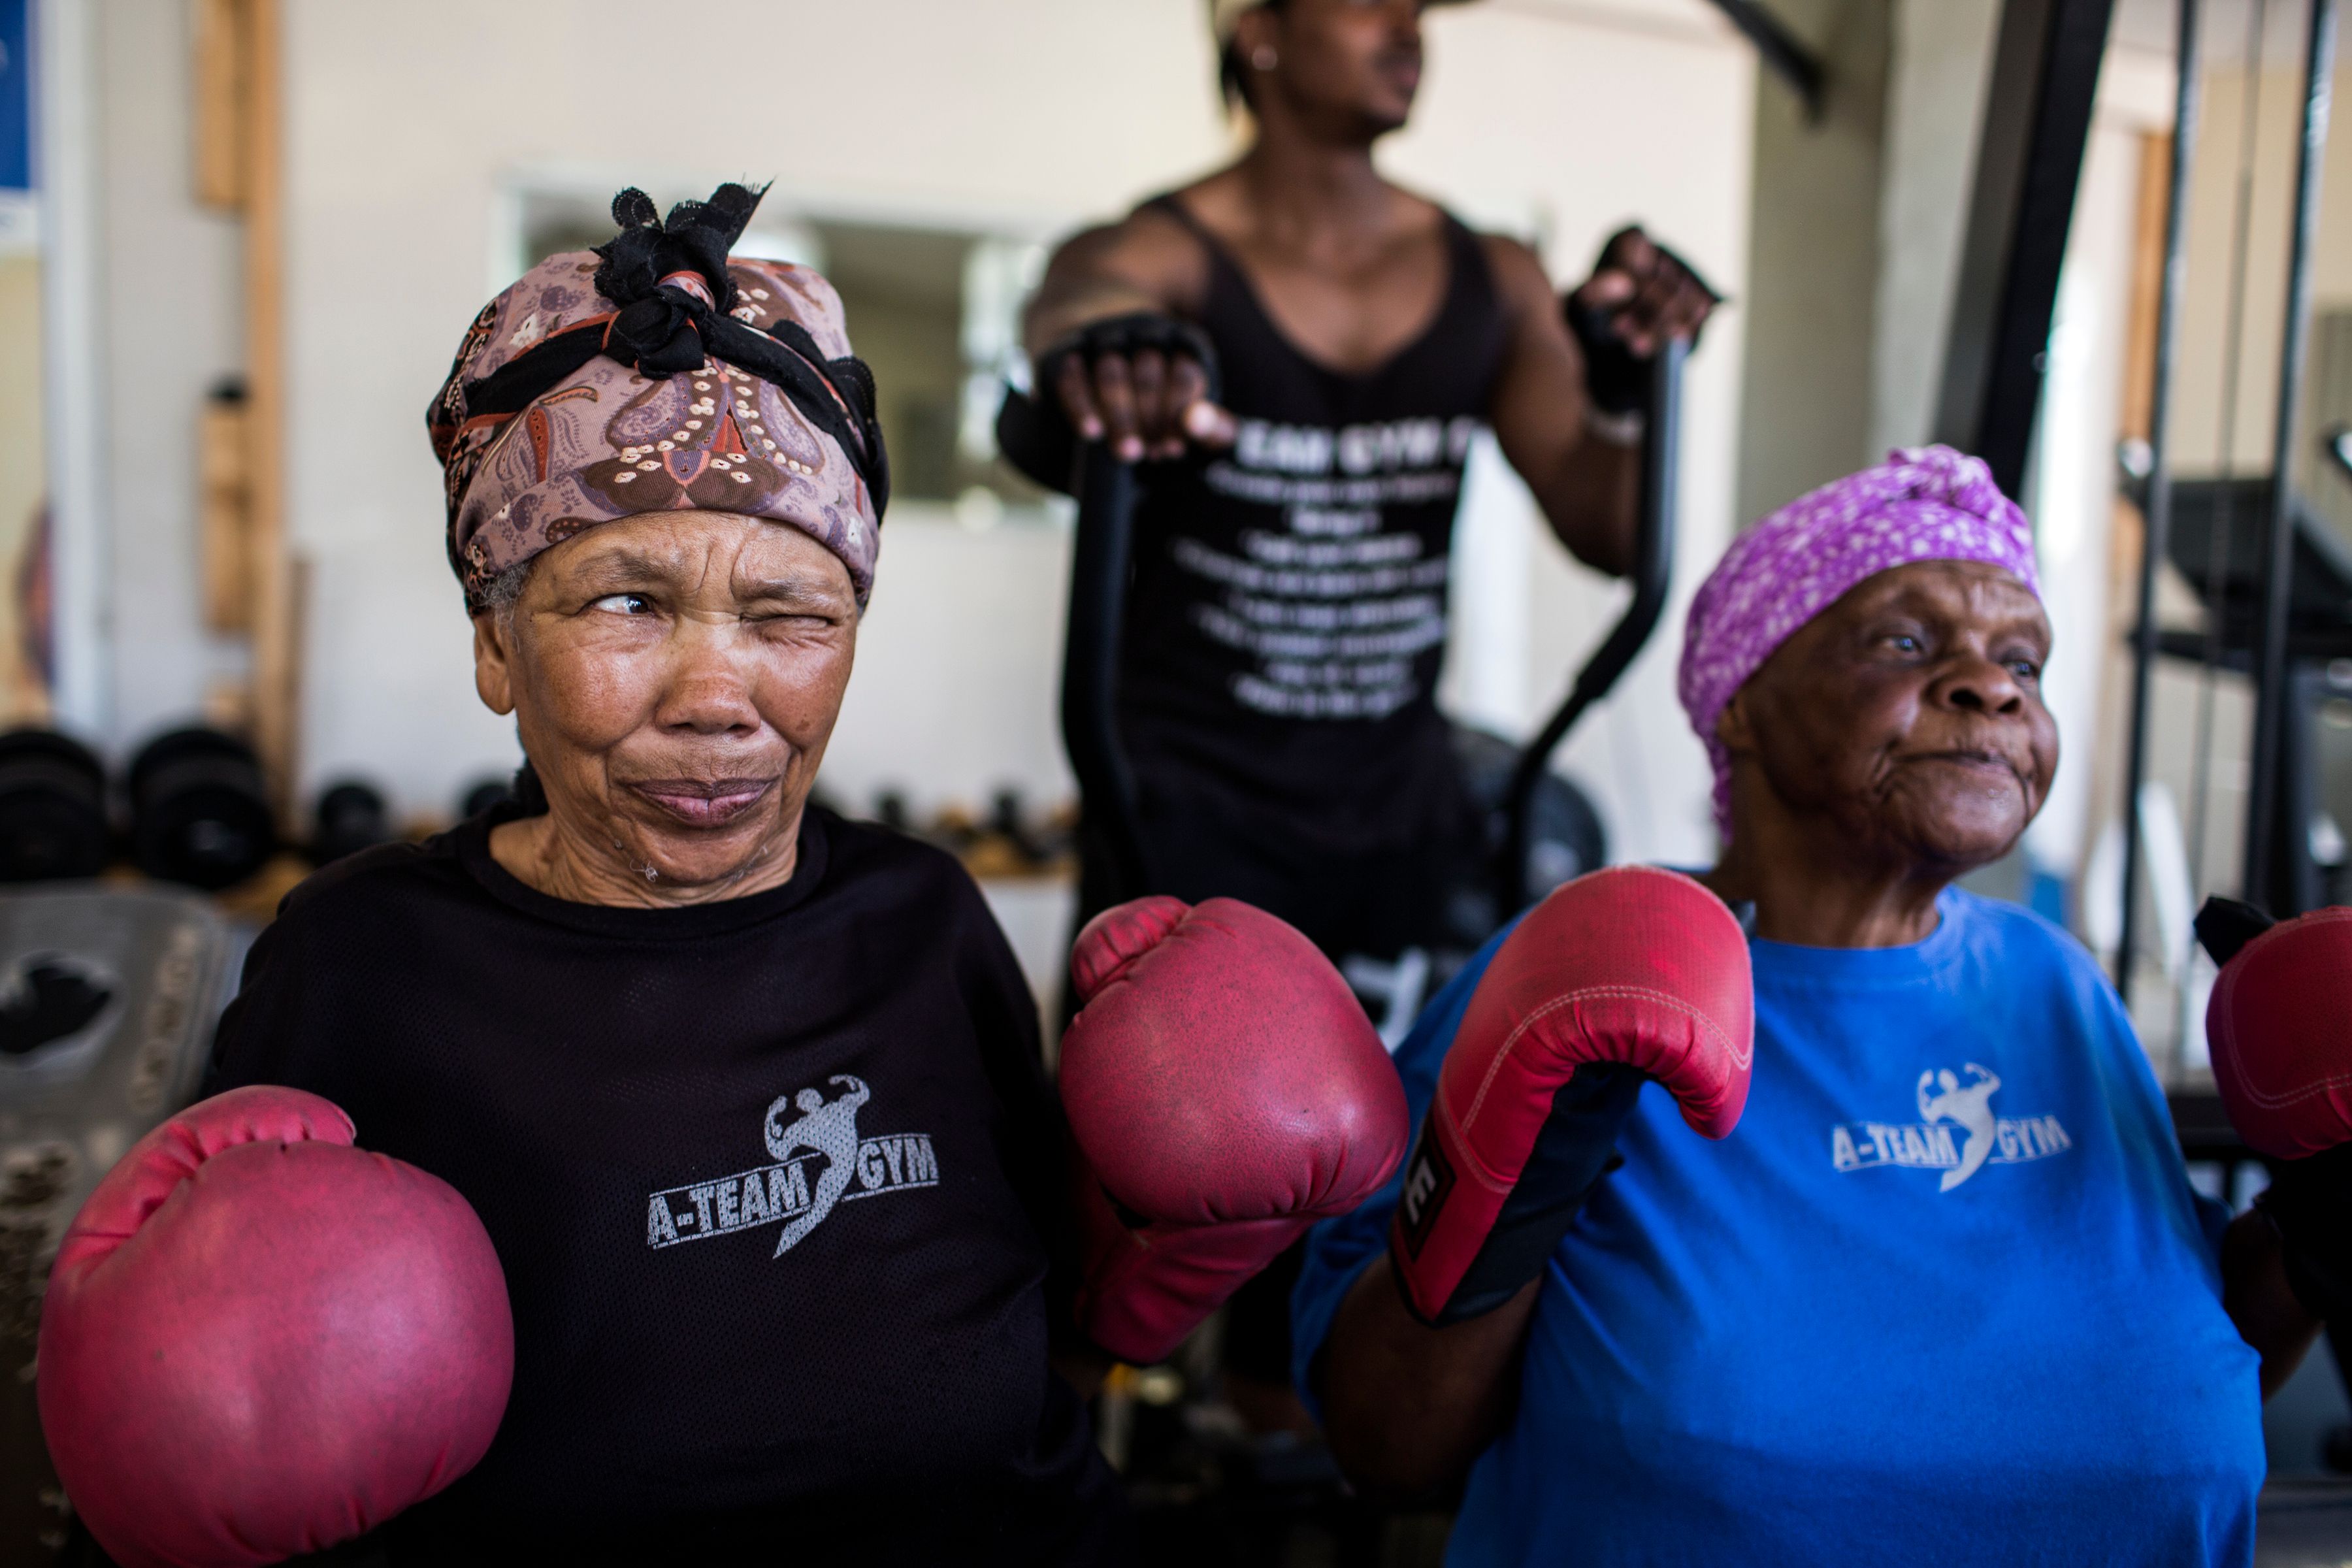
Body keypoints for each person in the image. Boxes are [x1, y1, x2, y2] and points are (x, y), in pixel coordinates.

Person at [39, 184, 1397, 1565]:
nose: (718, 698)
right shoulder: (362, 965)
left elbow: (1036, 1339)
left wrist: (1166, 1248)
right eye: (626, 602)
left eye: (788, 614)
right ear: (499, 646)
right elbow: (218, 1414)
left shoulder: (923, 918)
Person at [1294, 448, 2310, 1564]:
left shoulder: (2058, 984)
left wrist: (2324, 1222)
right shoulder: (1585, 973)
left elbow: (2182, 1385)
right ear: (1743, 704)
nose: (1995, 686)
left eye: (2023, 659)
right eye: (1907, 643)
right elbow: (1385, 1447)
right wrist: (1515, 1184)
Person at [1020, 0, 1718, 1413]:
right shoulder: (1169, 250)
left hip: (1395, 808)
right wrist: (1116, 354)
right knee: (1145, 1221)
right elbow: (1079, 301)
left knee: (1360, 1201)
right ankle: (1092, 1442)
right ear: (1260, 31)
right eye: (1369, 1)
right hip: (1187, 822)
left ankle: (1302, 1448)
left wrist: (1635, 386)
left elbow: (1599, 513)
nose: (1407, 26)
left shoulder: (1490, 275)